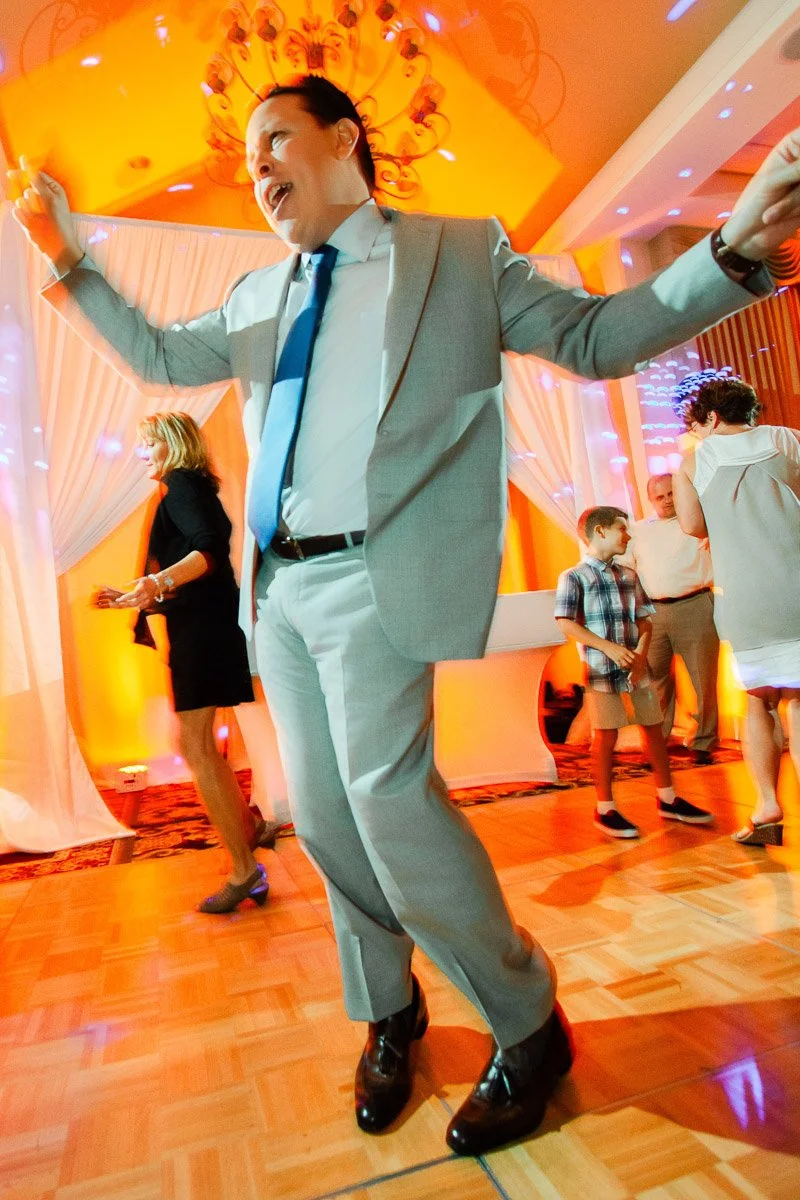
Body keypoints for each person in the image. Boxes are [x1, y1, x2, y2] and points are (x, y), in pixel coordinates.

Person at [9, 76, 798, 1156]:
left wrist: (728, 255)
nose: (257, 166)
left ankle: (526, 1022)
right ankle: (390, 1013)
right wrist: (63, 255)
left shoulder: (458, 255)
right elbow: (154, 359)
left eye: (274, 138)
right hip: (274, 591)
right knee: (326, 820)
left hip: (377, 574)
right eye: (247, 155)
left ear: (343, 140)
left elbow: (596, 337)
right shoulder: (257, 296)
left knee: (387, 805)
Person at [94, 412, 280, 912]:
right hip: (204, 626)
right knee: (201, 747)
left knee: (195, 747)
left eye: (148, 444)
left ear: (171, 446)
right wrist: (136, 595)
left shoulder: (180, 485)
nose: (142, 454)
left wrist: (155, 584)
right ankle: (250, 833)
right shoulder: (190, 485)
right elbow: (198, 558)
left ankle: (245, 871)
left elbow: (206, 554)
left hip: (205, 631)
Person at [673, 374, 800, 847]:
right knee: (799, 700)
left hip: (745, 595)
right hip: (796, 585)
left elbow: (690, 525)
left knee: (759, 699)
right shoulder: (786, 439)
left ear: (709, 416)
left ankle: (767, 806)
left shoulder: (692, 462)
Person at [554, 506, 714, 838]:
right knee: (606, 735)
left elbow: (644, 618)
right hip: (601, 671)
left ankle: (667, 798)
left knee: (654, 729)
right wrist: (607, 647)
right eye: (622, 530)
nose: (628, 536)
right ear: (600, 532)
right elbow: (566, 621)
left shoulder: (628, 575)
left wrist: (640, 653)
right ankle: (605, 808)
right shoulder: (574, 577)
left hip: (636, 670)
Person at [623, 473, 719, 764]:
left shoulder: (698, 523)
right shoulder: (639, 531)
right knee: (653, 681)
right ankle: (656, 745)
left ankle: (704, 742)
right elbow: (628, 569)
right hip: (654, 612)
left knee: (703, 679)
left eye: (671, 494)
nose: (667, 501)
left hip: (696, 604)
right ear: (650, 500)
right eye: (660, 496)